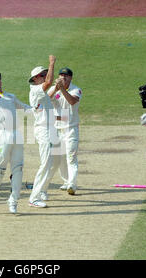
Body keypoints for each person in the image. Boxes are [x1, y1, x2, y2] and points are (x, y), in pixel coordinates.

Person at [0, 53, 32, 214]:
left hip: (16, 134)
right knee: (0, 168)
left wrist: (39, 109)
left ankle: (13, 200)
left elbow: (25, 108)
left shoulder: (10, 96)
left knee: (18, 168)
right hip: (2, 135)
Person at [27, 55, 64, 207]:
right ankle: (34, 198)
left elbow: (49, 89)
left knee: (56, 161)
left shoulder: (40, 92)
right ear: (36, 78)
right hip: (44, 131)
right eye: (43, 74)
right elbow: (48, 82)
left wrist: (57, 86)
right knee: (46, 163)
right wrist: (52, 63)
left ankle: (42, 189)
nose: (45, 76)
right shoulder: (35, 90)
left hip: (52, 129)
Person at [49, 67, 82, 195]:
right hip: (57, 129)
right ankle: (66, 181)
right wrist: (55, 89)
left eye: (66, 75)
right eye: (61, 75)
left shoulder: (76, 90)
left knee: (71, 157)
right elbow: (45, 100)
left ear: (70, 78)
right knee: (60, 158)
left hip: (71, 129)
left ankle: (72, 185)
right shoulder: (55, 89)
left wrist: (62, 89)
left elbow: (72, 101)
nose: (63, 77)